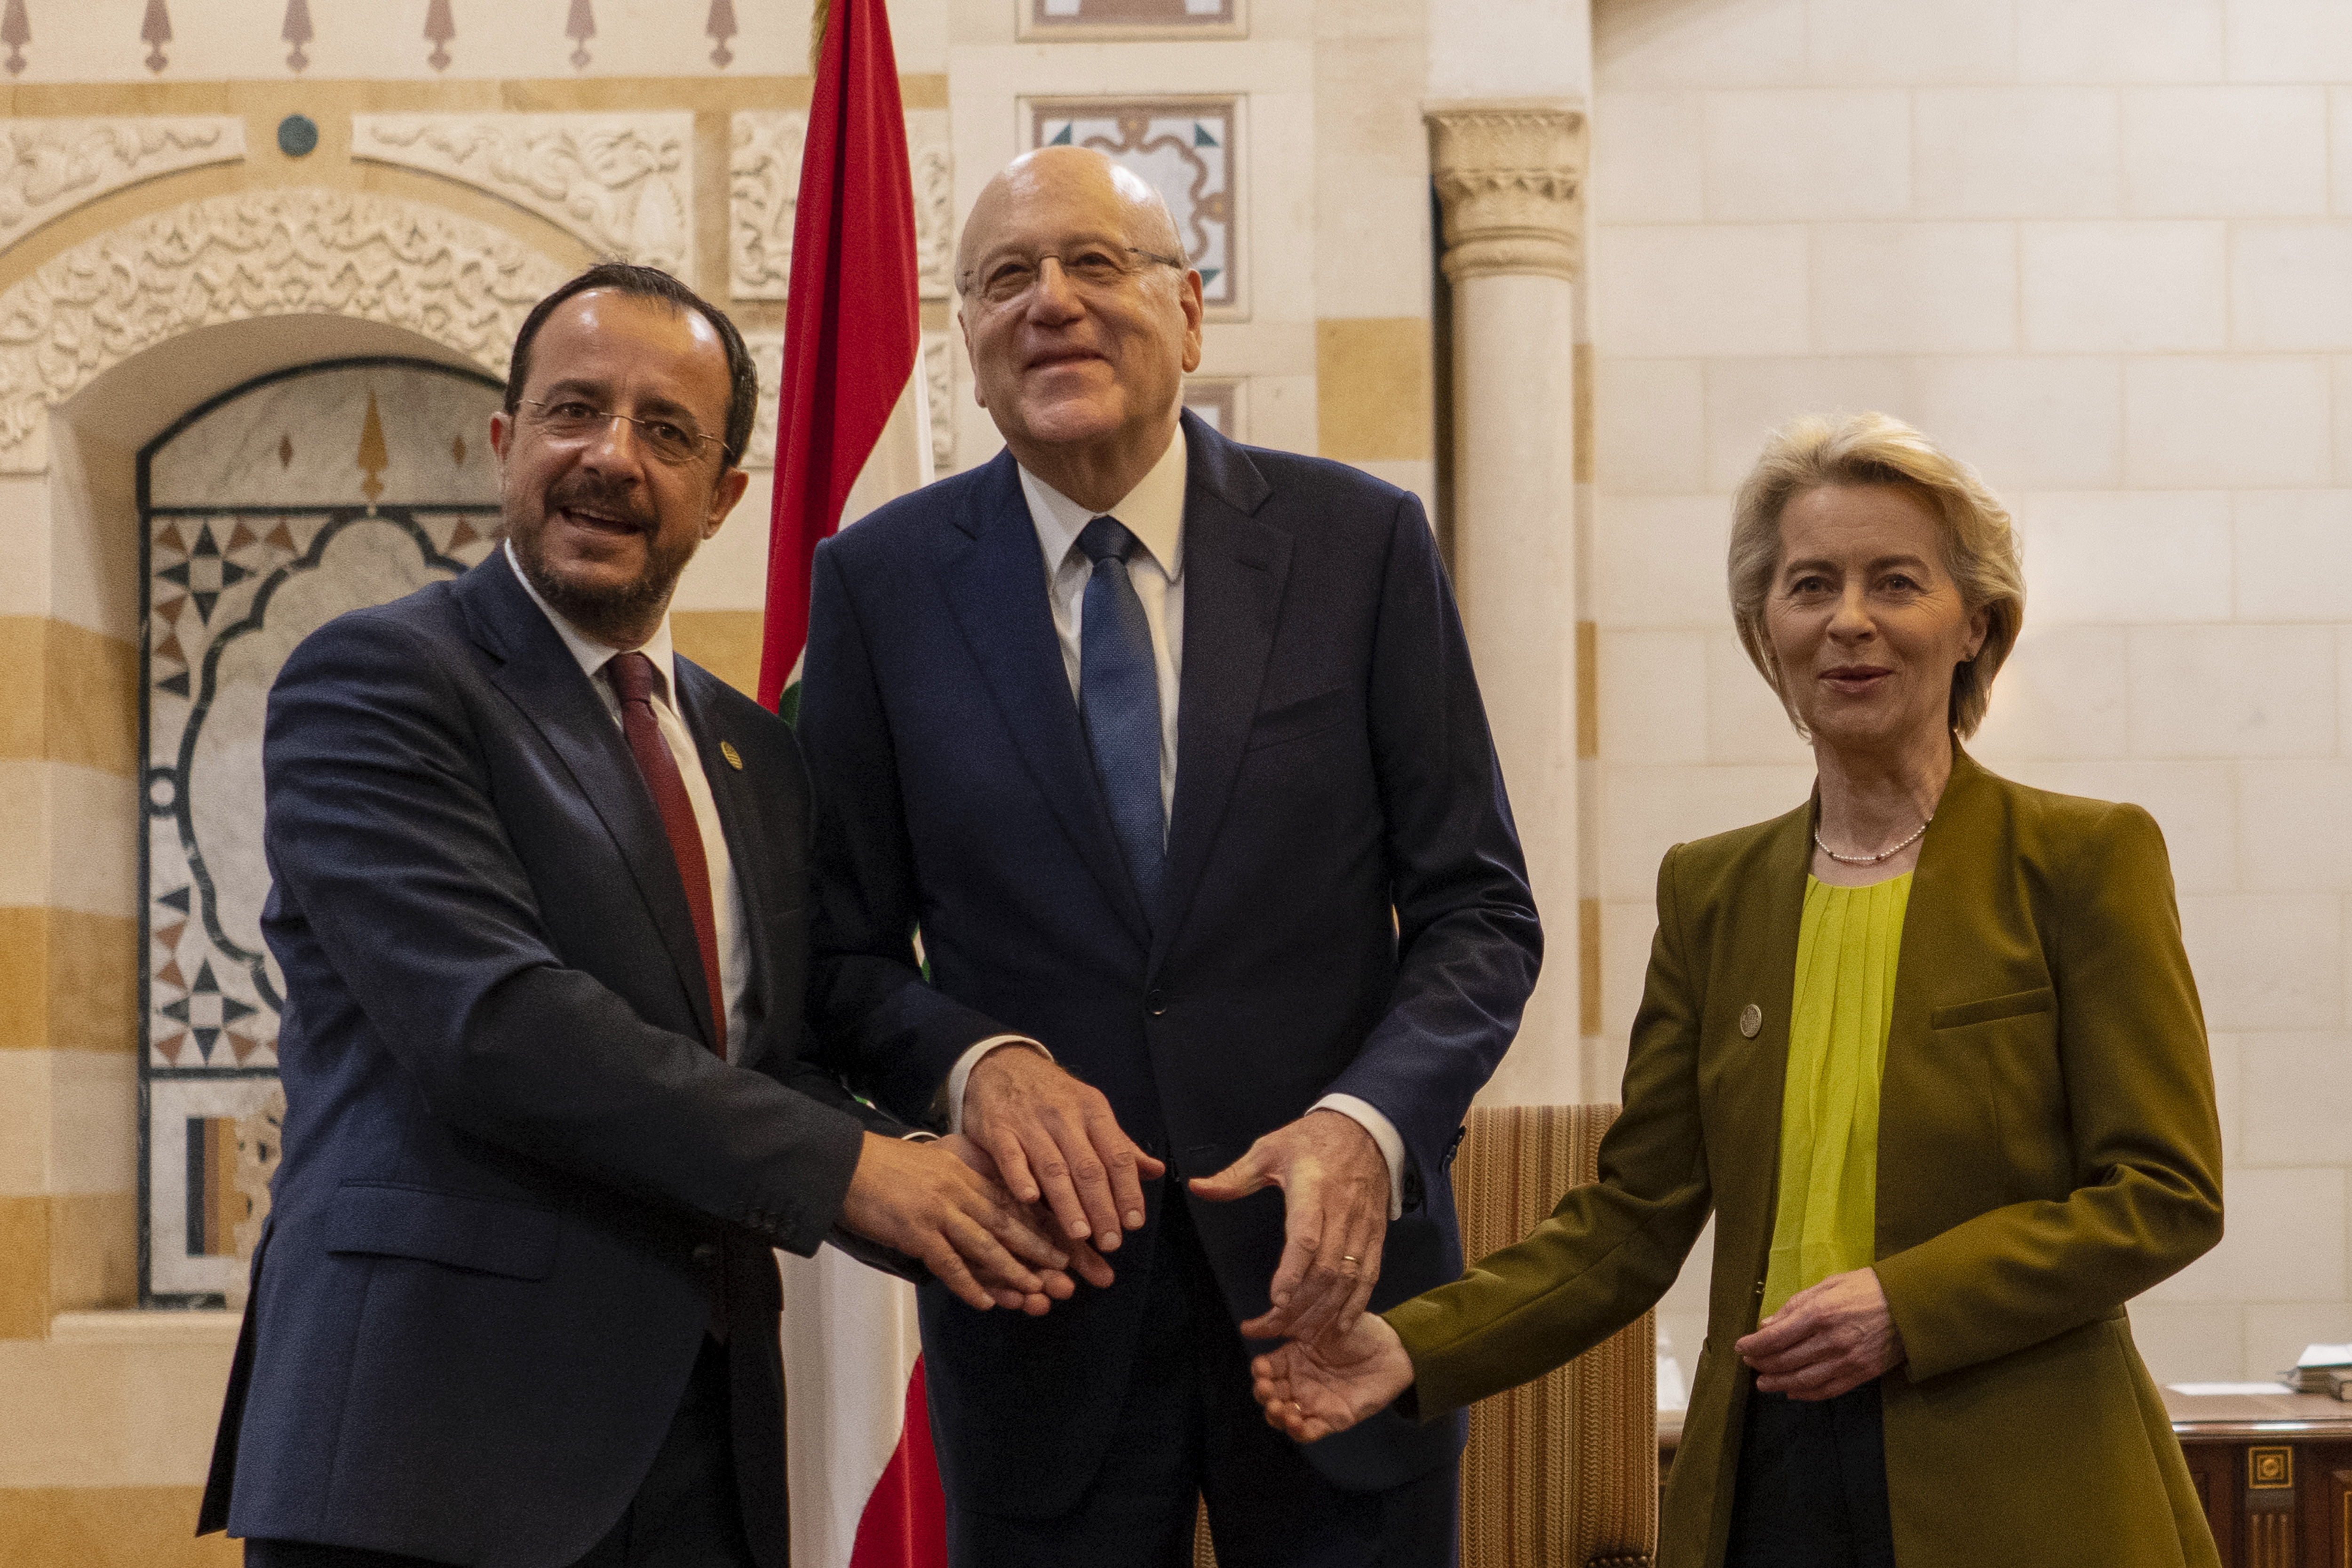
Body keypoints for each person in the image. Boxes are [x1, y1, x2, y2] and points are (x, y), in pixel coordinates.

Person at [198, 263, 1079, 1568]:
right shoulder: (380, 678)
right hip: (428, 1448)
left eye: (667, 431)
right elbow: (500, 1025)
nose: (612, 457)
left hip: (699, 1443)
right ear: (505, 444)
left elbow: (761, 1055)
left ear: (723, 496)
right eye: (574, 411)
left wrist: (979, 1145)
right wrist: (863, 1171)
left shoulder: (753, 756)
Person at [1250, 413, 2226, 1568]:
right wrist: (1409, 1347)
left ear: (1973, 621)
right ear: (1767, 630)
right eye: (1809, 585)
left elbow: (2164, 1190)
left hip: (2026, 1486)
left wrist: (1907, 1302)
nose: (1848, 620)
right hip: (1767, 1483)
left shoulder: (2081, 858)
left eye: (1894, 582)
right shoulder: (1713, 890)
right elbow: (1628, 1221)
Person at [795, 147, 1542, 1566]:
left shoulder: (1360, 544)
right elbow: (833, 955)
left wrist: (1366, 1124)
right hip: (1042, 1309)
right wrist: (977, 1060)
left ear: (1189, 314)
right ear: (966, 341)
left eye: (1096, 264)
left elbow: (1478, 912)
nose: (1051, 303)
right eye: (1006, 277)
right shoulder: (878, 584)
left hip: (1331, 1294)